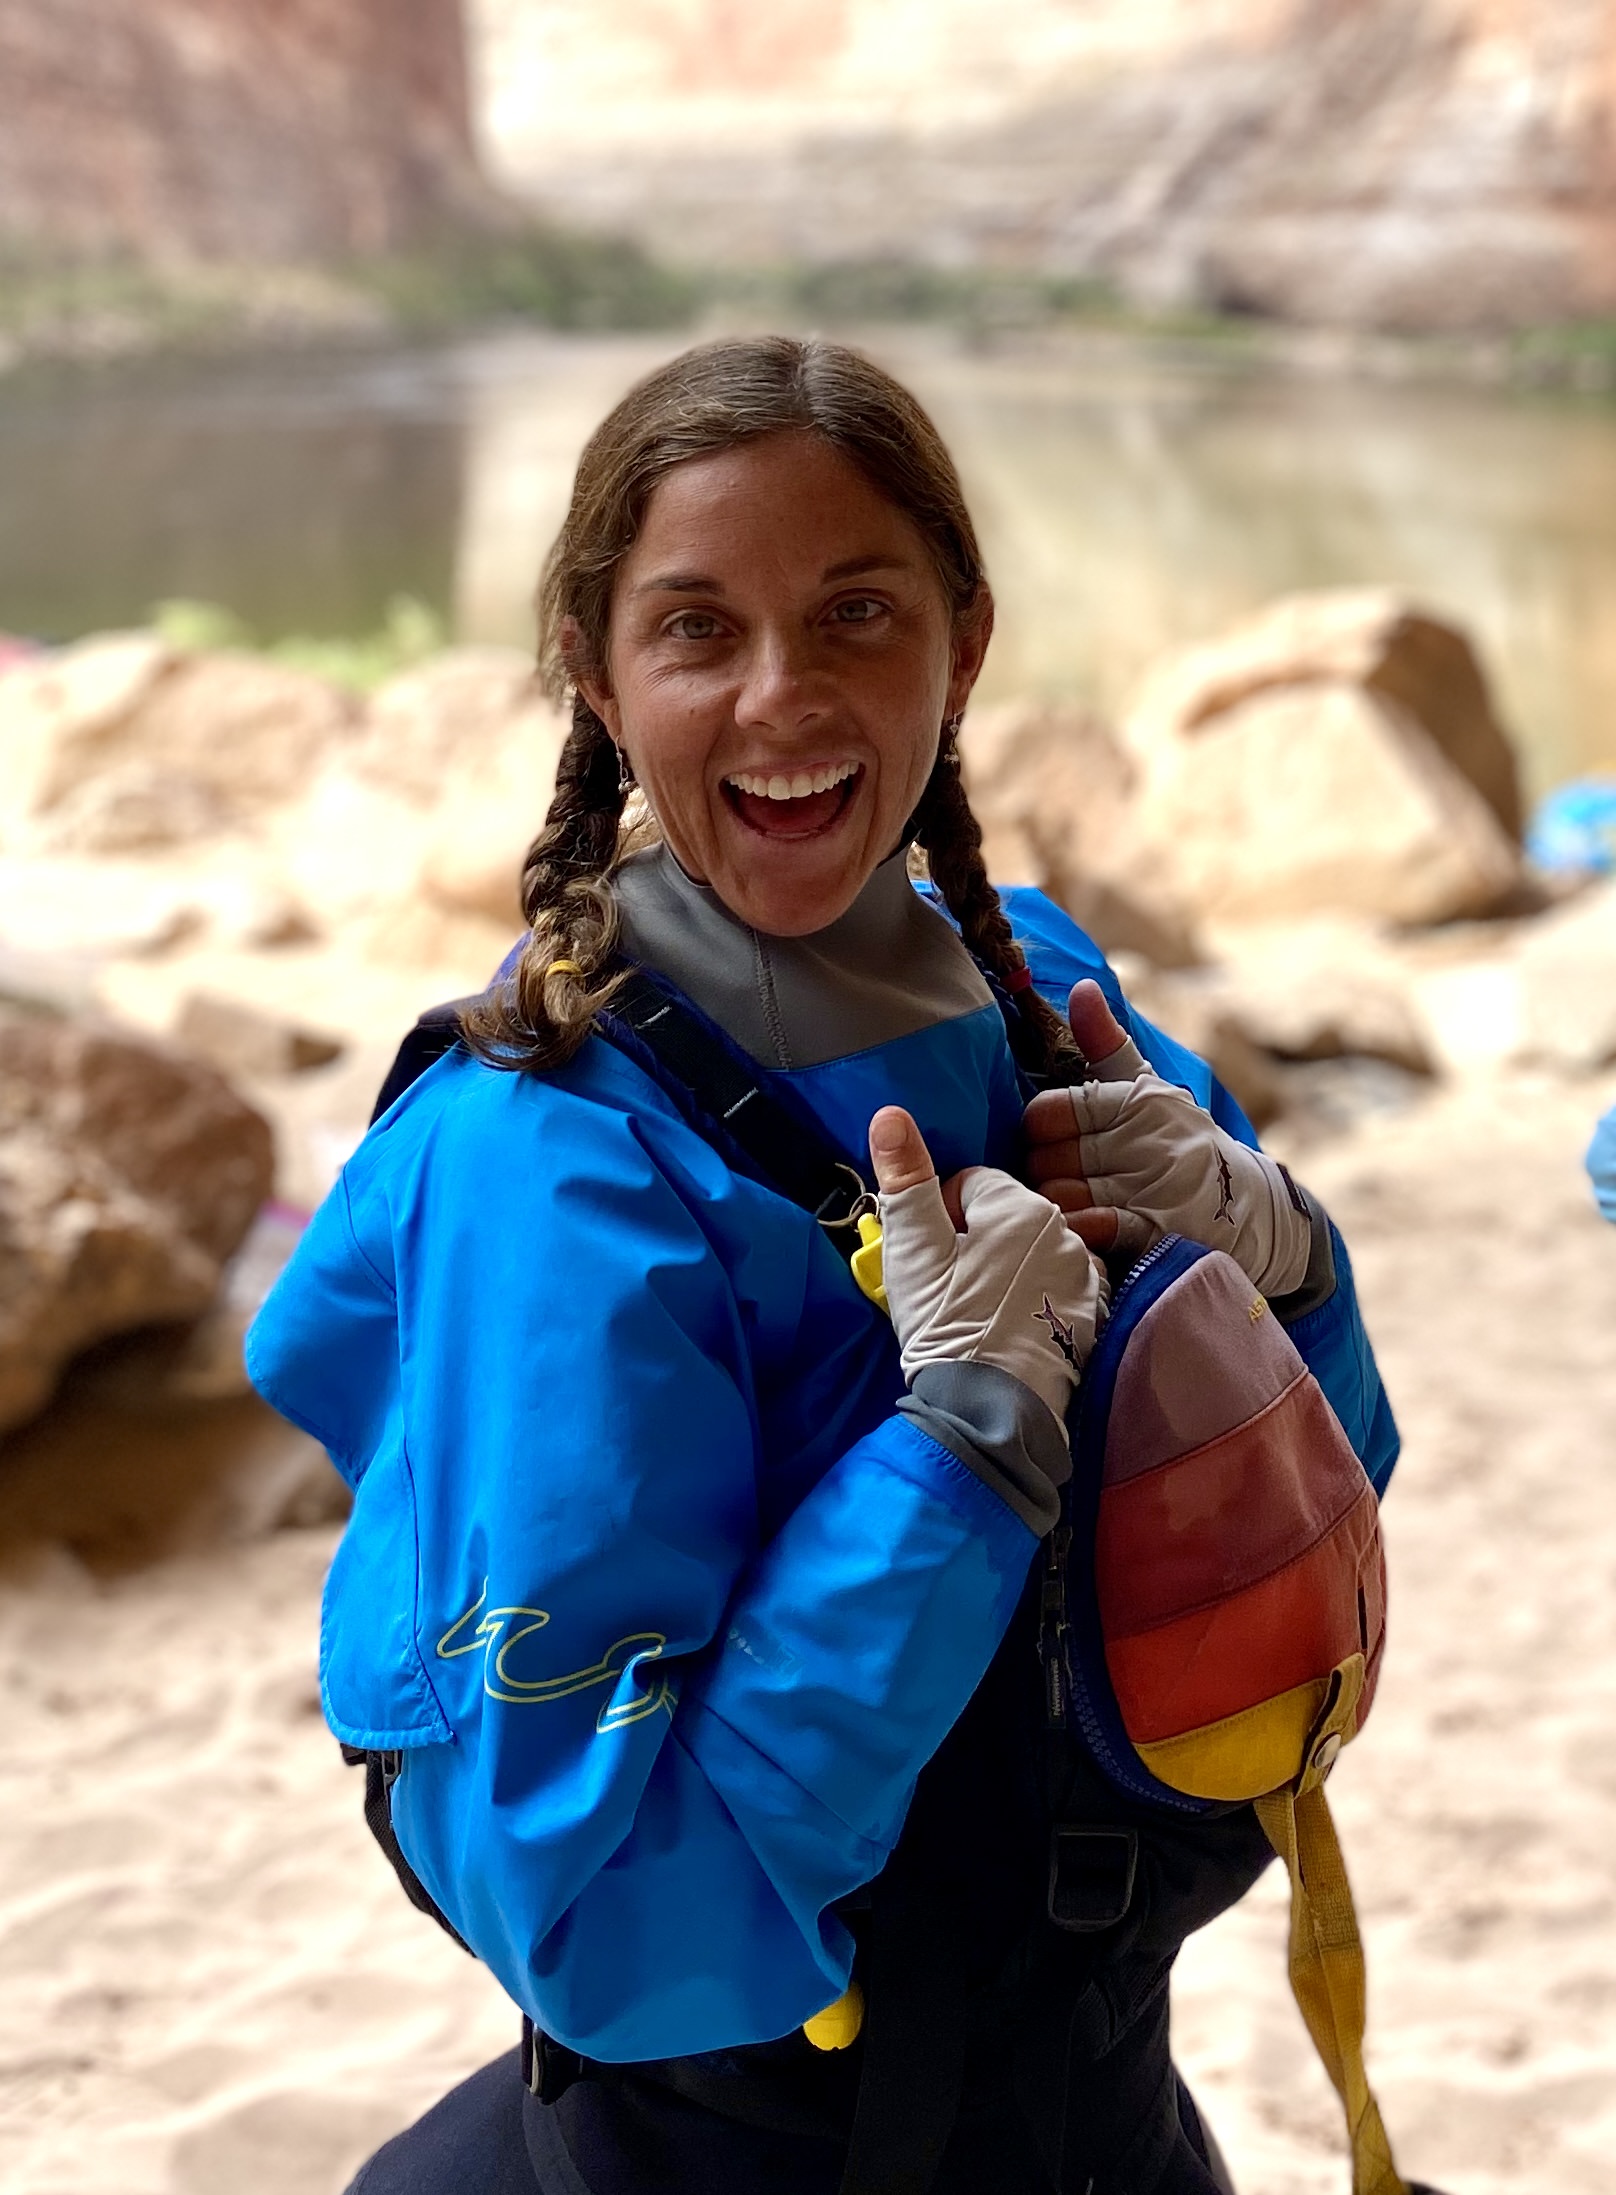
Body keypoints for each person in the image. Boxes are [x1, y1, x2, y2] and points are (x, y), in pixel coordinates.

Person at [247, 337, 1398, 2195]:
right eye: (697, 629)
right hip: (745, 2138)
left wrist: (1281, 1266)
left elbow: (1308, 1528)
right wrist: (962, 1445)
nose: (781, 696)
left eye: (857, 612)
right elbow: (602, 1924)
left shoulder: (1038, 988)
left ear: (967, 642)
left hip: (1092, 2085)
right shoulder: (547, 1159)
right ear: (595, 671)